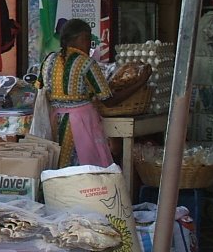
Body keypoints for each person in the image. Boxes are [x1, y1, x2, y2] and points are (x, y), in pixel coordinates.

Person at [39, 18, 151, 168]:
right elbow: (108, 100)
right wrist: (140, 82)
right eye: (88, 40)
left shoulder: (49, 59)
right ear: (82, 38)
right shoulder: (86, 63)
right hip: (80, 124)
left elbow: (40, 87)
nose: (89, 45)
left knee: (58, 166)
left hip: (53, 121)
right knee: (83, 167)